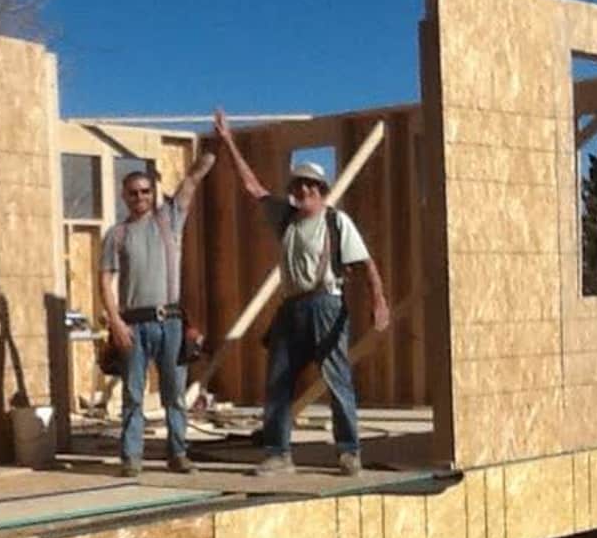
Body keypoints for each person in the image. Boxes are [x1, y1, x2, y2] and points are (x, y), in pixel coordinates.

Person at [213, 108, 390, 476]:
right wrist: (228, 140)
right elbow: (253, 188)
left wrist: (379, 302)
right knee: (278, 381)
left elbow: (365, 264)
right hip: (292, 308)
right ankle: (278, 453)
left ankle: (348, 450)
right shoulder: (286, 218)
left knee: (337, 378)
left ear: (322, 191)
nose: (303, 190)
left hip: (327, 303)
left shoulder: (335, 221)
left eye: (311, 186)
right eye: (298, 186)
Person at [100, 152, 215, 477]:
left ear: (153, 194)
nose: (140, 197)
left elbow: (192, 180)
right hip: (133, 325)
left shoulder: (169, 220)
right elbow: (105, 281)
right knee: (133, 395)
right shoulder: (117, 235)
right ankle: (131, 458)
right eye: (133, 192)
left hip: (171, 323)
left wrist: (212, 152)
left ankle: (178, 453)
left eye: (145, 191)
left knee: (174, 394)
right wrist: (115, 322)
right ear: (124, 196)